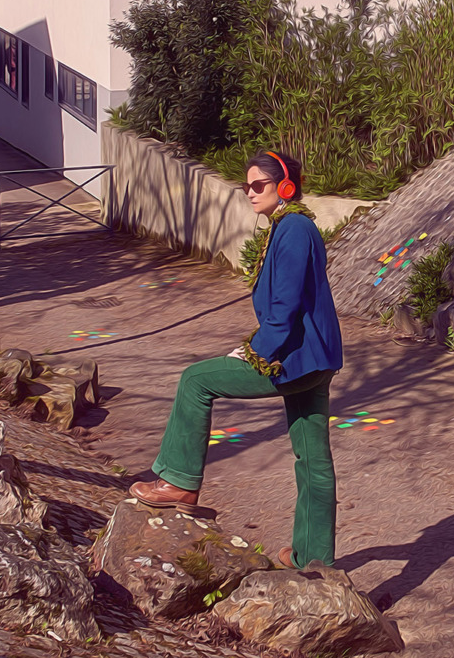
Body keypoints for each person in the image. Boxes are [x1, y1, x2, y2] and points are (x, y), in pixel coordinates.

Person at [131, 151, 342, 568]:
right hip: (314, 360)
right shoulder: (290, 225)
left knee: (196, 381)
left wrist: (255, 351)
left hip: (290, 359)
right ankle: (314, 559)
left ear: (285, 187)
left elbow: (284, 305)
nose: (249, 193)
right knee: (313, 458)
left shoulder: (294, 229)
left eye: (258, 185)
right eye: (245, 186)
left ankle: (178, 482)